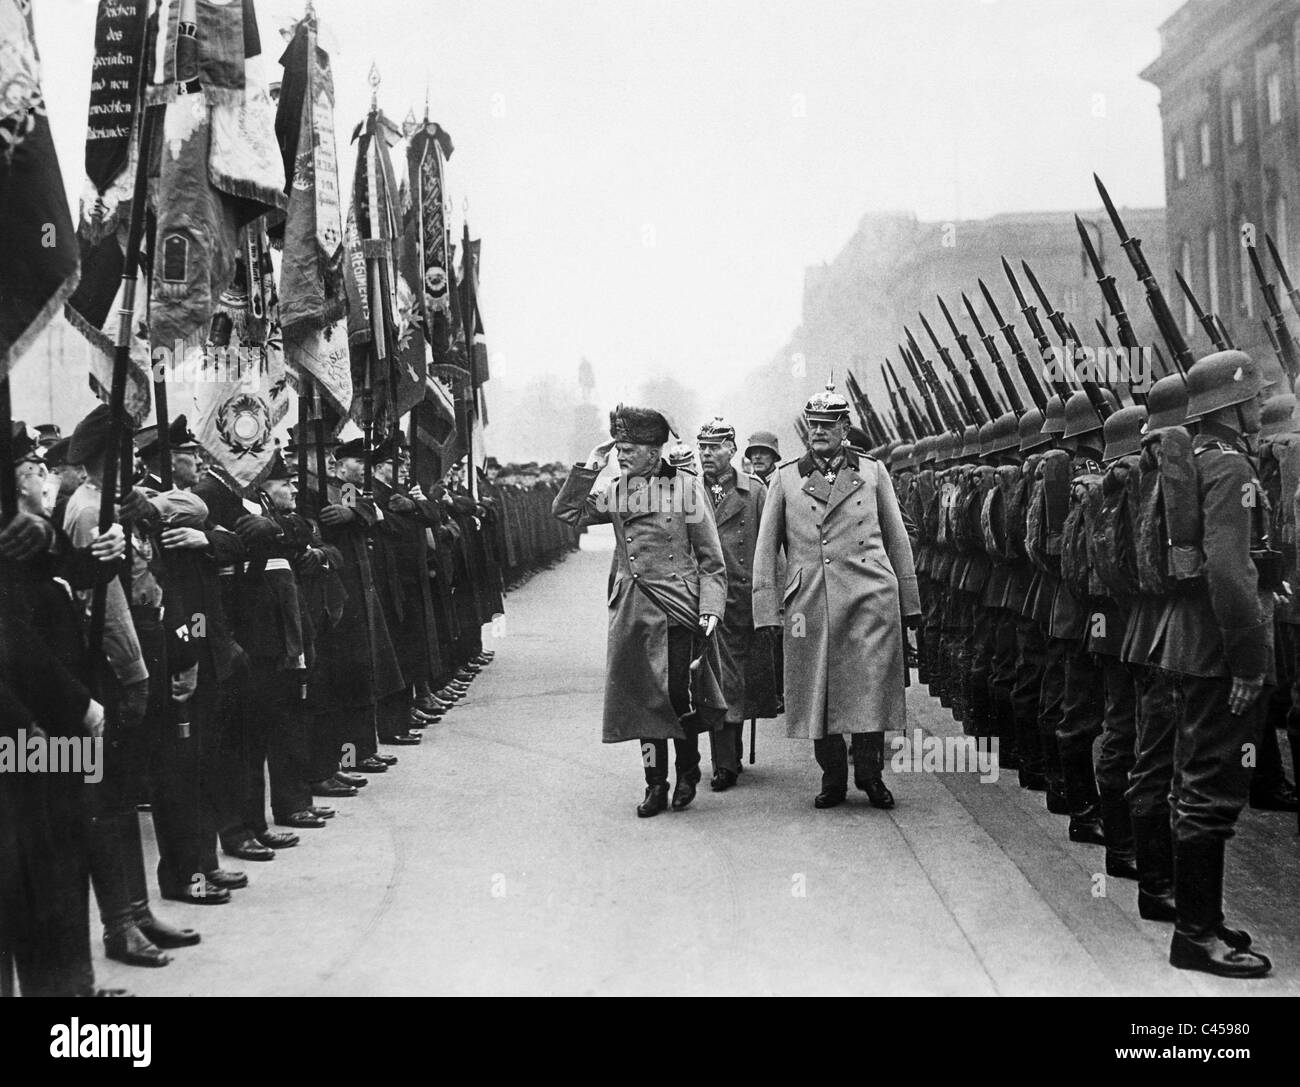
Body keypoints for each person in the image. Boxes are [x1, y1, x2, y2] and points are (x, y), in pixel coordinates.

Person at [1150, 350, 1275, 978]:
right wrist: (1249, 662)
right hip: (1219, 648)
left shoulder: (1201, 459)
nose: (1260, 407)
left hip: (1191, 642)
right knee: (1209, 792)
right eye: (1254, 398)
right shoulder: (1229, 467)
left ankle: (1202, 921)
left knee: (1193, 781)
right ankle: (1197, 937)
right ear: (1232, 406)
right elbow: (1230, 571)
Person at [552, 404, 728, 817]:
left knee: (676, 695)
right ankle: (655, 783)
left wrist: (711, 608)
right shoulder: (616, 488)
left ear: (654, 450)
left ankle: (688, 771)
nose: (621, 454)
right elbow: (567, 513)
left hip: (678, 607)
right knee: (641, 702)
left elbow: (711, 559)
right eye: (618, 447)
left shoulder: (685, 488)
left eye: (629, 447)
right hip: (633, 608)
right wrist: (590, 466)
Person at [752, 383, 920, 809]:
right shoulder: (786, 477)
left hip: (870, 594)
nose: (819, 432)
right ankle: (832, 779)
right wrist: (766, 609)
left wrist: (909, 604)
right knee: (816, 692)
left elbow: (897, 539)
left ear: (846, 427)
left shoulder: (872, 472)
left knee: (871, 688)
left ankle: (871, 775)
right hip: (811, 599)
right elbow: (766, 548)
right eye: (813, 425)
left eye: (828, 425)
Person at [695, 416, 773, 789]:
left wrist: (771, 598)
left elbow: (771, 547)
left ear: (732, 449)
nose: (707, 454)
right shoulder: (689, 491)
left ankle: (732, 754)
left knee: (737, 680)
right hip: (705, 599)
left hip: (743, 598)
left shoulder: (755, 492)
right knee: (714, 680)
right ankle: (723, 762)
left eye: (714, 447)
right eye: (703, 447)